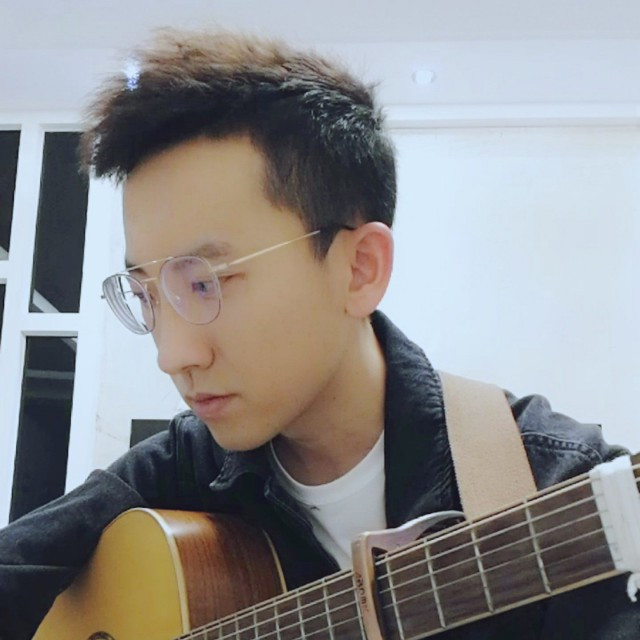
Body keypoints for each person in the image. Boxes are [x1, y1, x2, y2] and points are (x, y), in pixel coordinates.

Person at [0, 29, 638, 640]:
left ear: (359, 269)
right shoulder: (186, 467)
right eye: (147, 295)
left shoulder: (562, 488)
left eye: (205, 282)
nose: (172, 355)